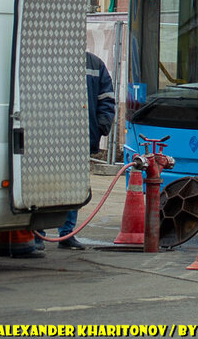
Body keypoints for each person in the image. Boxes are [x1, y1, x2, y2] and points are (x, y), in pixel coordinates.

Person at [36, 50, 116, 252]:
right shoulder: (47, 58)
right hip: (48, 139)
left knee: (73, 188)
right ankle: (38, 235)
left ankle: (67, 234)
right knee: (43, 189)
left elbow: (107, 99)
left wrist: (100, 127)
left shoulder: (94, 64)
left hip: (80, 139)